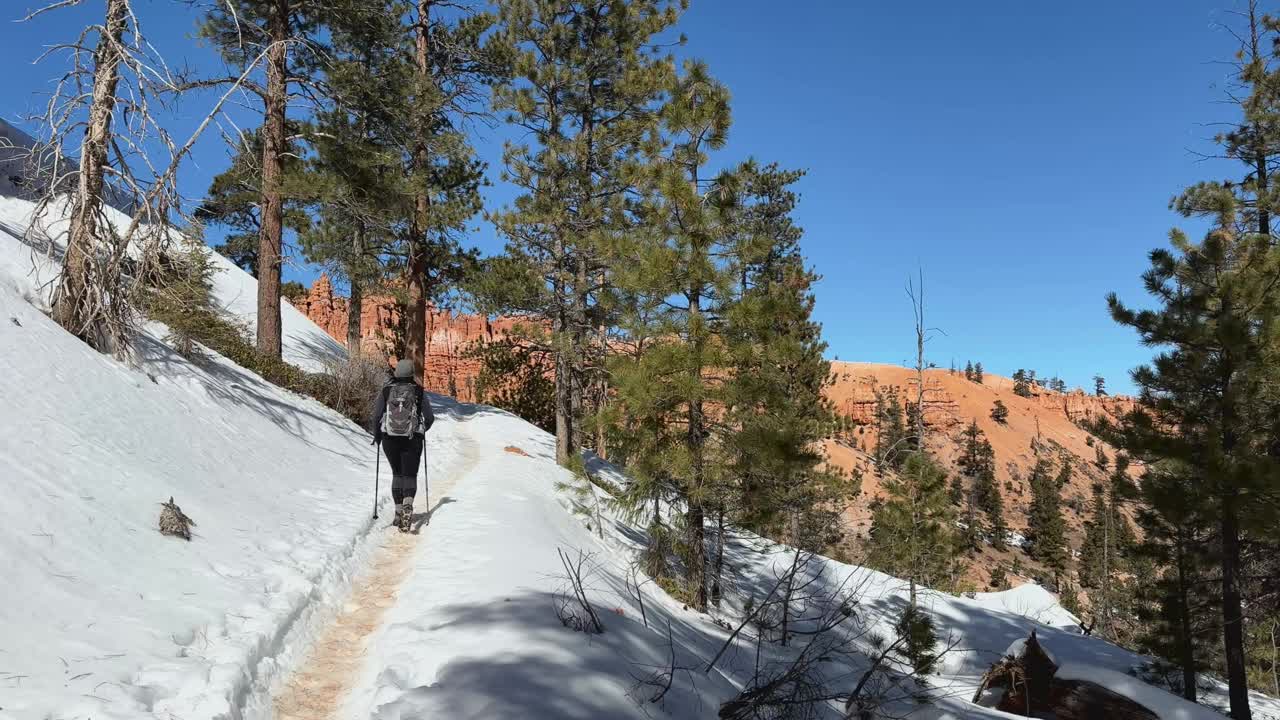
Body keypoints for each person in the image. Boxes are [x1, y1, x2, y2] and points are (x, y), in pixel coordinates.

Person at [371, 359, 435, 532]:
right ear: (411, 373)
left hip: (389, 439)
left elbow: (377, 416)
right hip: (412, 438)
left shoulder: (386, 391)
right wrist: (421, 430)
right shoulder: (418, 392)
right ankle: (408, 504)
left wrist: (377, 436)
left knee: (397, 473)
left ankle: (398, 512)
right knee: (410, 475)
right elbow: (429, 418)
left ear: (397, 373)